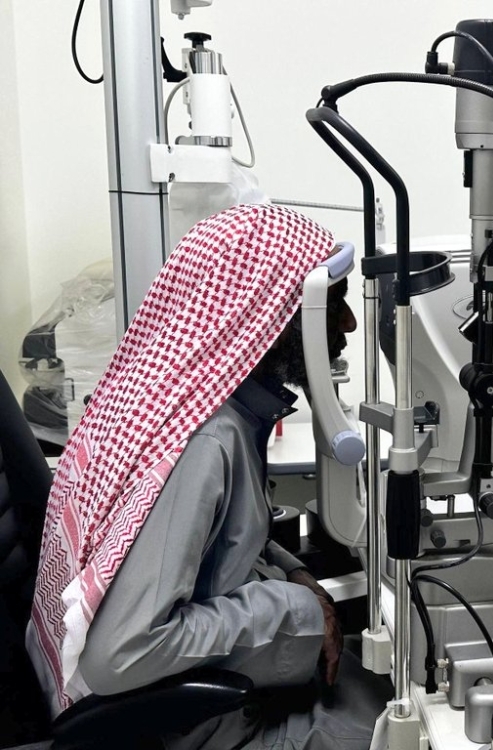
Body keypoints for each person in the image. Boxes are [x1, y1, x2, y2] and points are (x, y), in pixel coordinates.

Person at [27, 204, 390, 749]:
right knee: (406, 729)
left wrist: (293, 574)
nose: (348, 324)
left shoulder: (192, 406)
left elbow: (219, 545)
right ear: (269, 310)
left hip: (190, 694)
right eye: (332, 303)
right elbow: (119, 653)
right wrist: (296, 611)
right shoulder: (203, 441)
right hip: (184, 722)